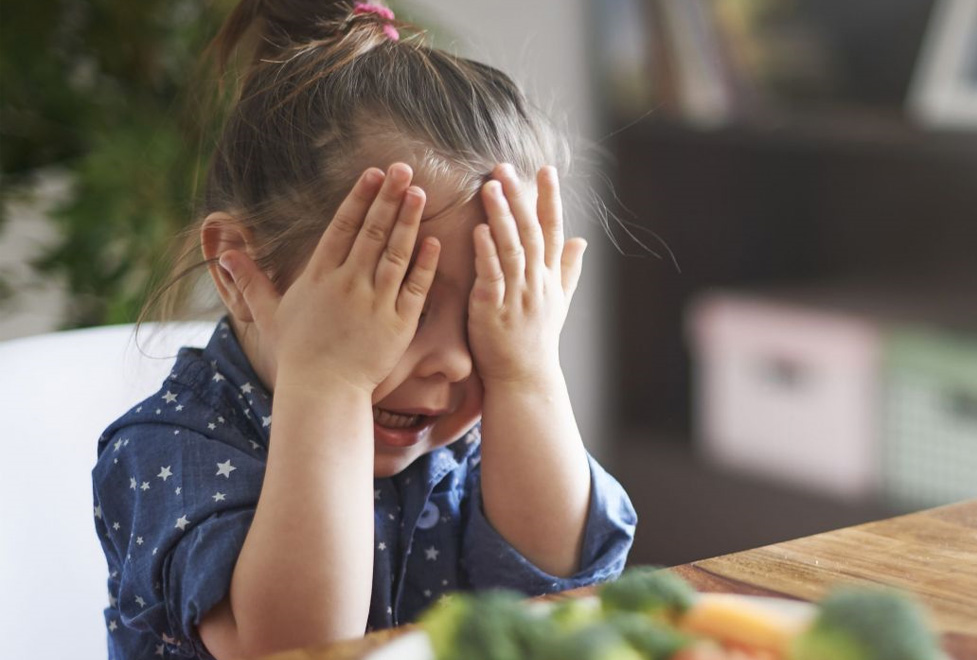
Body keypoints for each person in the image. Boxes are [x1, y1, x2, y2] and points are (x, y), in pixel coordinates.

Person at [90, 2, 637, 658]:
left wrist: (525, 371)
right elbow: (296, 648)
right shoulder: (173, 447)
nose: (454, 363)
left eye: (484, 314)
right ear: (240, 274)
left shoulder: (480, 413)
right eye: (399, 305)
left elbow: (560, 588)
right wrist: (328, 383)